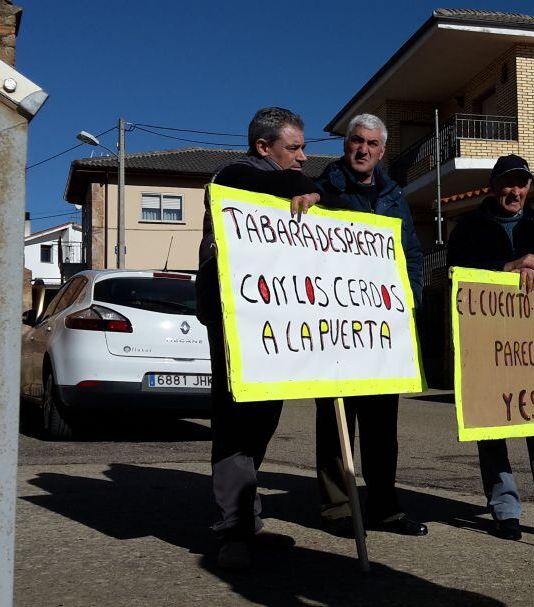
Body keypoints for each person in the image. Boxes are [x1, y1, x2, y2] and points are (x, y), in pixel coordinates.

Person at [196, 107, 351, 569]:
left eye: (304, 147)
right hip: (234, 321)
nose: (304, 157)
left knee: (263, 419)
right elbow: (264, 187)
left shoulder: (283, 183)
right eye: (295, 147)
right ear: (264, 147)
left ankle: (247, 519)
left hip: (273, 323)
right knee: (236, 422)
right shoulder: (235, 176)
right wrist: (308, 192)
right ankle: (234, 531)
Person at [446, 154, 534, 544]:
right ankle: (505, 510)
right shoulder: (470, 227)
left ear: (528, 188)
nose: (515, 191)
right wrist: (507, 266)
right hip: (489, 345)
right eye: (508, 183)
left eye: (521, 183)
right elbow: (458, 268)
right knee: (492, 429)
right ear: (493, 187)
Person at [312, 113, 427, 537]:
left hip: (381, 333)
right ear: (346, 146)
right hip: (335, 330)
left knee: (382, 429)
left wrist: (408, 299)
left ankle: (385, 508)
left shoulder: (394, 197)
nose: (362, 149)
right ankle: (339, 509)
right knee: (336, 425)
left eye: (371, 144)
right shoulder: (322, 191)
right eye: (356, 141)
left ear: (381, 151)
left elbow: (410, 253)